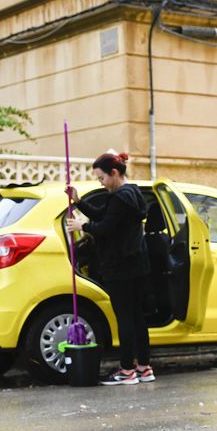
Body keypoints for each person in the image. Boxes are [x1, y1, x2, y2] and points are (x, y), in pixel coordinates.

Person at [66, 151, 154, 386]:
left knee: (125, 318)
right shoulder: (132, 193)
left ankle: (126, 370)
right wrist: (79, 201)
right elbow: (104, 215)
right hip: (137, 265)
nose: (101, 183)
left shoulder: (119, 198)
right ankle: (144, 368)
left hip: (120, 267)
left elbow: (105, 227)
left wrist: (82, 225)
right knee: (137, 318)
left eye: (101, 178)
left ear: (114, 173)